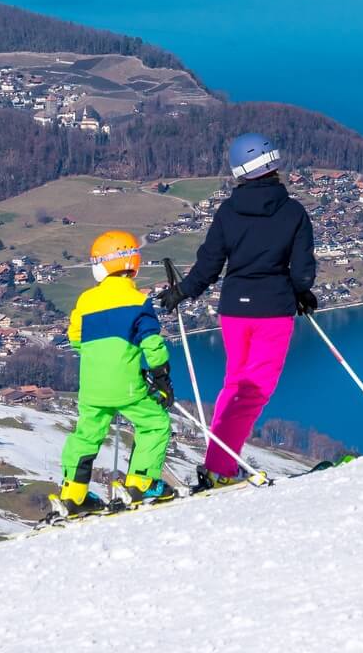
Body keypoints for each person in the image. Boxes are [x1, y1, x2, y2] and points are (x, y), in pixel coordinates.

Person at [158, 132, 318, 489]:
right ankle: (220, 467)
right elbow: (302, 270)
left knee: (235, 385)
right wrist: (301, 293)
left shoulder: (228, 212)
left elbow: (209, 264)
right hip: (272, 311)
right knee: (255, 390)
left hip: (234, 310)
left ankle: (218, 462)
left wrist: (183, 292)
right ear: (274, 164)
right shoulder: (293, 212)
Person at [51, 228, 176, 519]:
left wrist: (103, 359)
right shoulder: (137, 301)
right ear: (132, 263)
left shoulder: (86, 300)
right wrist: (160, 377)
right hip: (128, 386)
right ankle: (141, 483)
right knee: (155, 424)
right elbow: (152, 343)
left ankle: (73, 494)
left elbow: (76, 340)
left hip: (92, 387)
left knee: (86, 435)